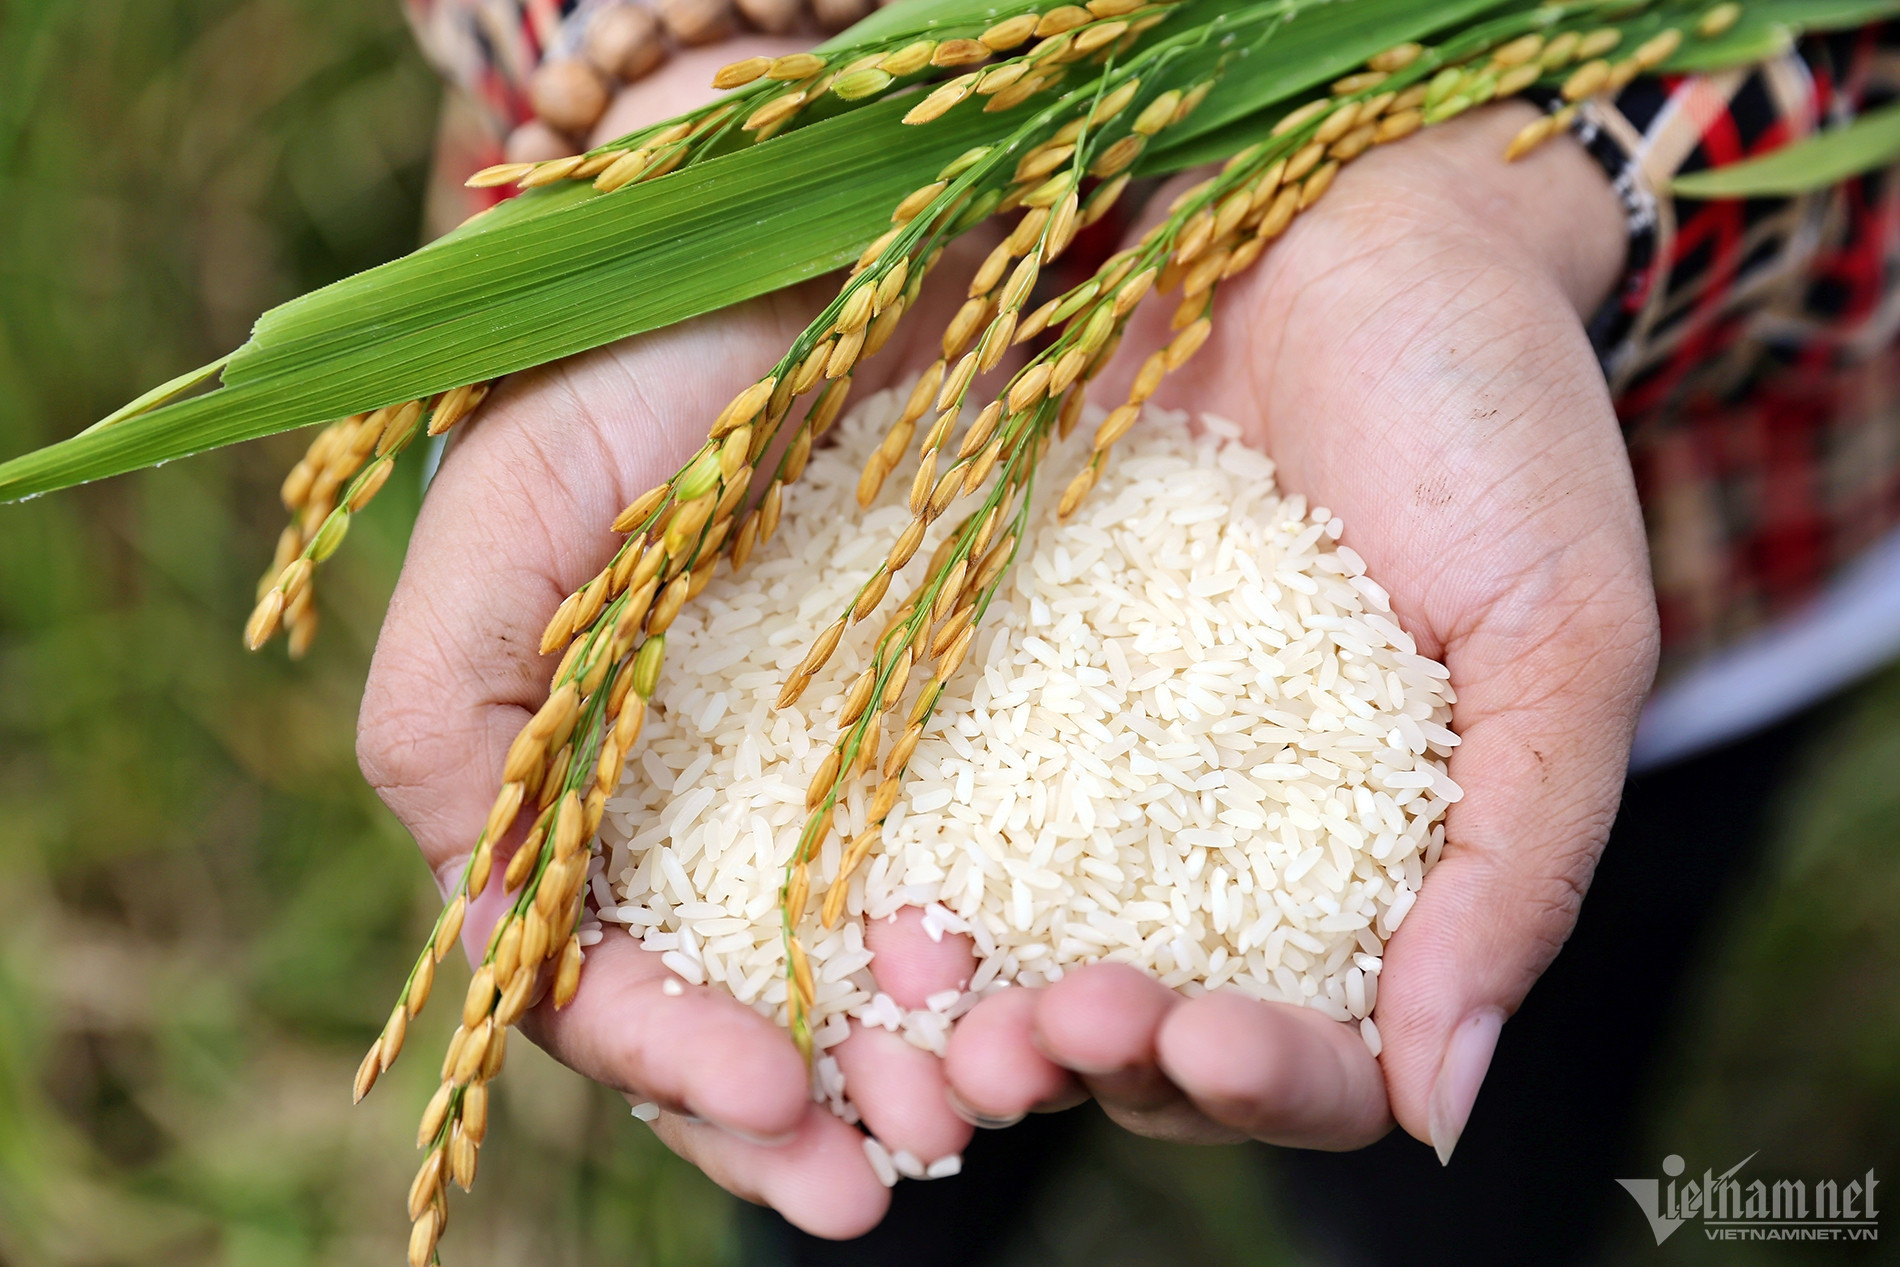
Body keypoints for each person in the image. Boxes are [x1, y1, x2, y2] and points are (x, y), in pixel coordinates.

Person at [363, 4, 1900, 1260]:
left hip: (1713, 548)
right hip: (822, 273)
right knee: (842, 1143)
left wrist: (1532, 188)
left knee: (1494, 1139)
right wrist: (693, 110)